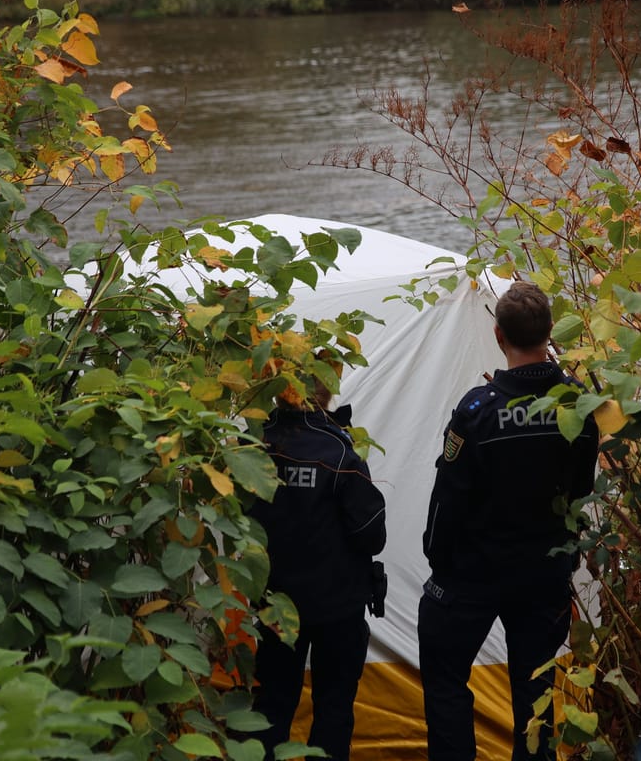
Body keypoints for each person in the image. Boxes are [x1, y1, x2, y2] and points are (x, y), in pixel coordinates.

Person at [419, 281, 600, 761]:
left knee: (444, 680)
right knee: (535, 693)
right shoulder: (576, 405)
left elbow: (447, 499)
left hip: (473, 573)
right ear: (549, 335)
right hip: (544, 572)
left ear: (499, 336)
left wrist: (438, 562)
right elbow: (582, 487)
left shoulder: (477, 410)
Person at [248, 371, 386, 760]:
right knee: (333, 709)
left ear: (277, 394)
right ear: (325, 395)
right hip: (336, 606)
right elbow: (371, 534)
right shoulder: (339, 452)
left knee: (271, 706)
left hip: (275, 603)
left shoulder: (254, 445)